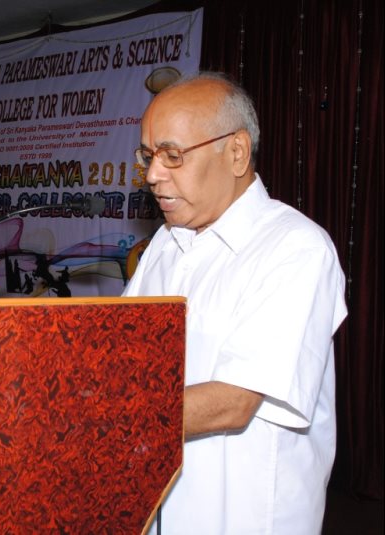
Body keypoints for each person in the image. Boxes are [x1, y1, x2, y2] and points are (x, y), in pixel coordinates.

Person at [123, 72, 347, 534]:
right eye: (148, 156)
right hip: (161, 510)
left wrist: (95, 417)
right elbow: (120, 351)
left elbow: (234, 400)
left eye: (172, 155)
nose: (153, 175)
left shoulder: (295, 247)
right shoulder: (166, 243)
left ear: (237, 152)